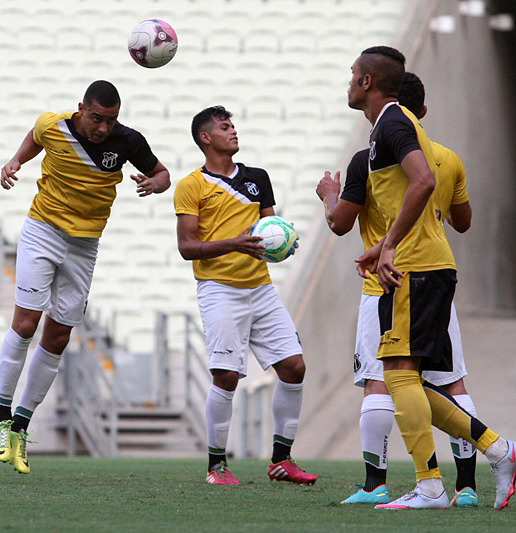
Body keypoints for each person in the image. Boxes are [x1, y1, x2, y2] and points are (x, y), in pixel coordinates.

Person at [343, 46, 515, 510]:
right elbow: (415, 196)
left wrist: (391, 245)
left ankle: (431, 485)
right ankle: (497, 449)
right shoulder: (392, 125)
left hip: (415, 270)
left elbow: (421, 182)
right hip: (420, 266)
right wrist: (381, 246)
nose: (349, 80)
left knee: (398, 377)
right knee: (410, 380)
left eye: (353, 74)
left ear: (366, 83)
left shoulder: (393, 122)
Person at [0, 80, 170, 474]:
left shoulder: (128, 141)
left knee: (58, 336)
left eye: (111, 120)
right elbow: (35, 137)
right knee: (26, 322)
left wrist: (155, 183)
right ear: (80, 109)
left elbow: (162, 174)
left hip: (85, 245)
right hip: (43, 230)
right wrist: (16, 160)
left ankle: (21, 425)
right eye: (97, 118)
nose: (103, 128)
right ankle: (1, 418)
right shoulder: (54, 126)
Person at [318, 72, 479, 507]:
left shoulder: (367, 158)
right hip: (439, 278)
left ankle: (377, 483)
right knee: (451, 382)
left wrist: (329, 196)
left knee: (381, 382)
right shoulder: (447, 158)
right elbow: (463, 222)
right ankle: (467, 486)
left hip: (388, 281)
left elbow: (340, 223)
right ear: (421, 112)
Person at [173, 105, 316, 486]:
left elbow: (271, 227)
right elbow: (187, 247)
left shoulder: (257, 178)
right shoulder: (192, 185)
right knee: (227, 375)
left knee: (294, 368)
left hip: (261, 288)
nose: (233, 131)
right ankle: (216, 467)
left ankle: (281, 461)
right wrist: (234, 244)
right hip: (220, 290)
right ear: (206, 137)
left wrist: (285, 243)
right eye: (224, 127)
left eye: (233, 125)